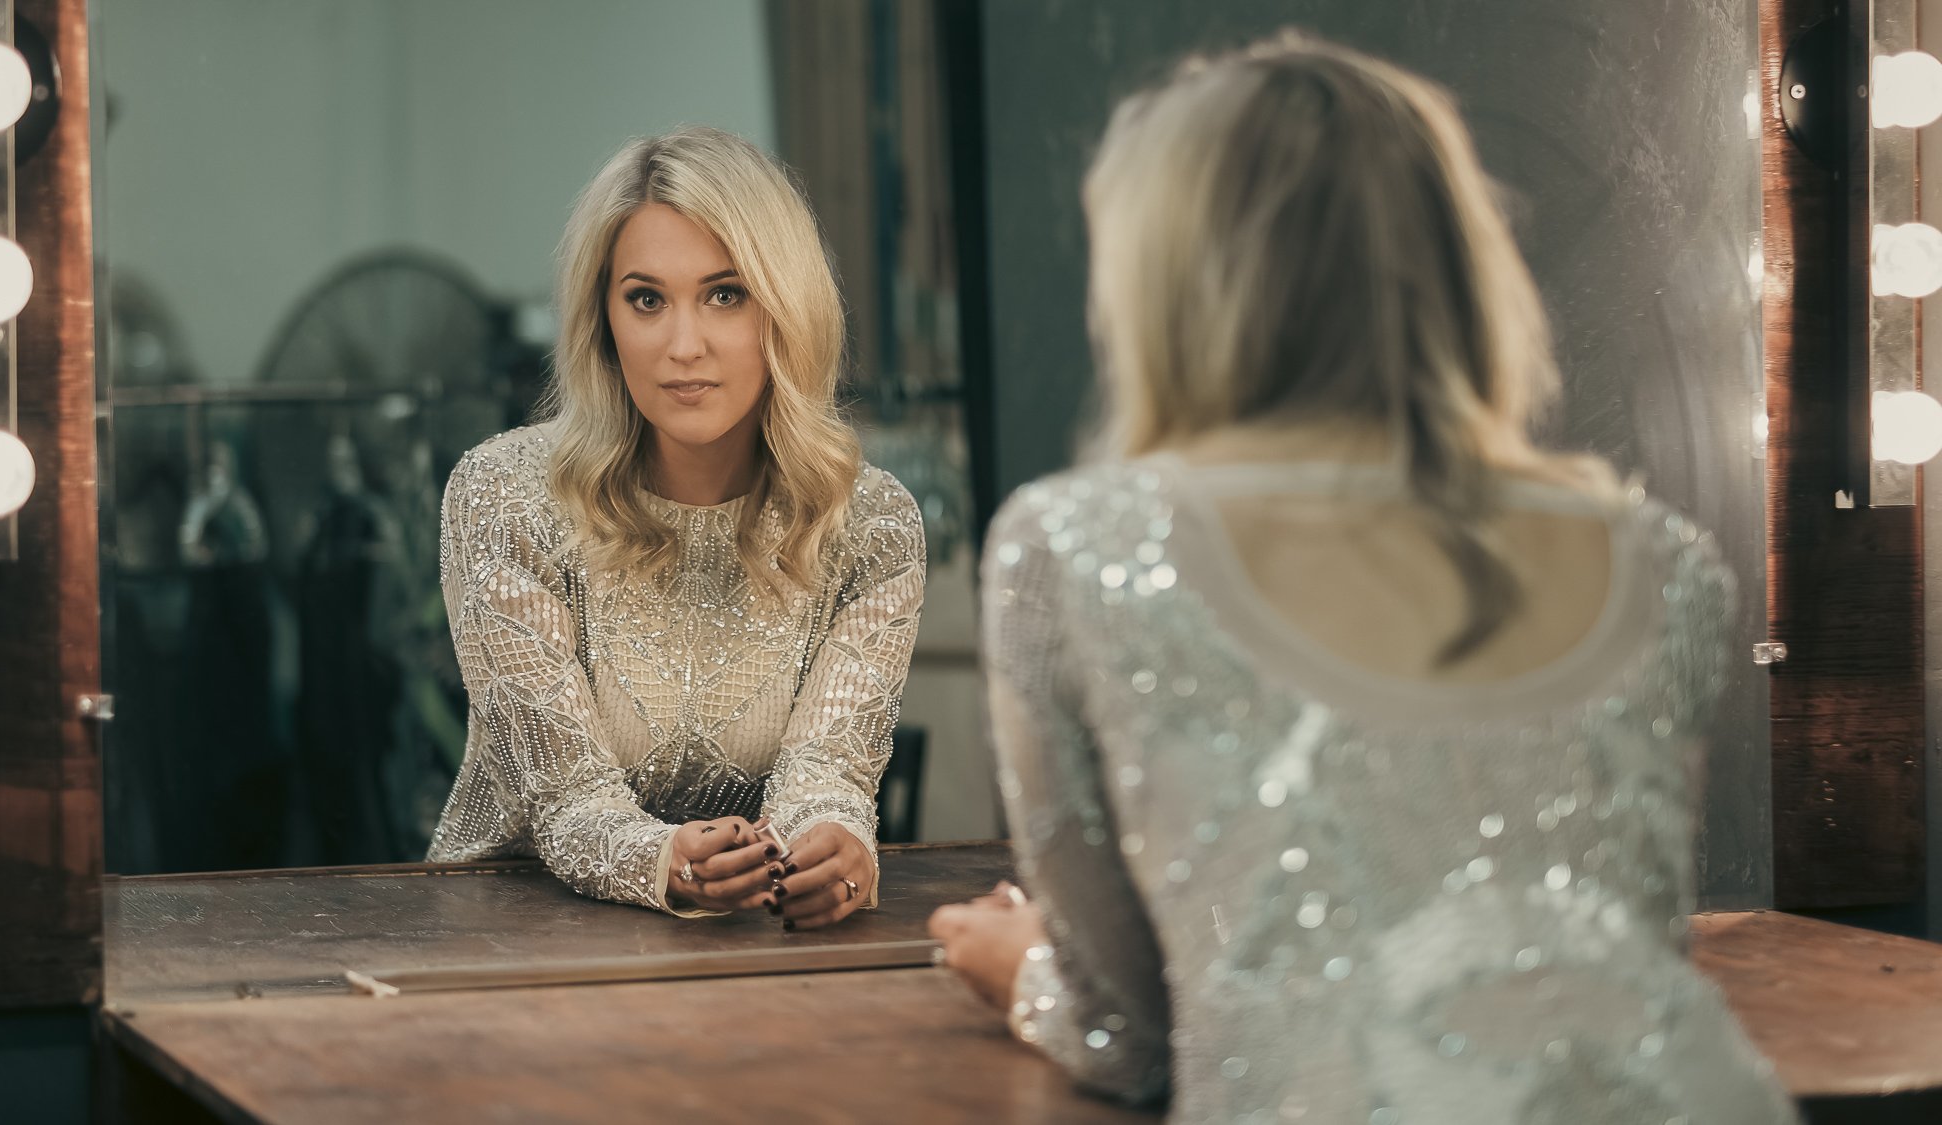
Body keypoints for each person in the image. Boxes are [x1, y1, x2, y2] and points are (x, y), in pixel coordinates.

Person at [929, 34, 1796, 1123]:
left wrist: (1023, 971)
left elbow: (1131, 1035)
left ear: (1164, 285)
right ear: (1452, 261)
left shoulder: (1074, 547)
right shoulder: (1663, 565)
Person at [428, 127, 925, 930]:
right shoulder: (504, 496)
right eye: (646, 299)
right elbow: (566, 801)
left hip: (753, 954)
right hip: (507, 938)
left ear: (784, 310)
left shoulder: (868, 522)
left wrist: (835, 843)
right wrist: (666, 861)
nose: (682, 346)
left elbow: (828, 772)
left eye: (726, 294)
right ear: (605, 319)